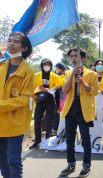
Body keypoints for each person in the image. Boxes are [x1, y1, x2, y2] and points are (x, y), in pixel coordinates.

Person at [59, 48, 98, 177]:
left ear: (83, 58)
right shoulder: (67, 73)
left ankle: (86, 166)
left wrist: (82, 82)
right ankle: (71, 164)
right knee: (69, 140)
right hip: (70, 111)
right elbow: (64, 90)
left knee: (86, 140)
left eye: (76, 56)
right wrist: (71, 75)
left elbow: (94, 91)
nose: (74, 58)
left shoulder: (92, 74)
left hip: (84, 111)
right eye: (71, 56)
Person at [0, 32, 35, 178]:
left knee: (13, 160)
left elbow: (24, 99)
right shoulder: (1, 66)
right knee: (2, 161)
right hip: (1, 122)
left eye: (15, 42)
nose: (11, 44)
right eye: (9, 41)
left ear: (24, 47)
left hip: (16, 123)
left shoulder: (28, 71)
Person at [29, 58, 61, 149]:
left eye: (48, 64)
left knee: (49, 120)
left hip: (50, 100)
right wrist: (34, 97)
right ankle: (37, 141)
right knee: (37, 120)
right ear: (41, 66)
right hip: (39, 100)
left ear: (51, 66)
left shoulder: (55, 76)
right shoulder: (36, 75)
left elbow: (58, 86)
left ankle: (47, 140)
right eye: (45, 64)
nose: (46, 66)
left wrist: (49, 90)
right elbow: (32, 87)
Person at [53, 62, 66, 135]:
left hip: (62, 97)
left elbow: (62, 84)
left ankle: (61, 129)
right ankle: (55, 129)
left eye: (56, 67)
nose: (56, 69)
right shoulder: (55, 75)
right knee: (55, 113)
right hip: (56, 96)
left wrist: (59, 86)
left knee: (60, 113)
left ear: (59, 68)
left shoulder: (64, 75)